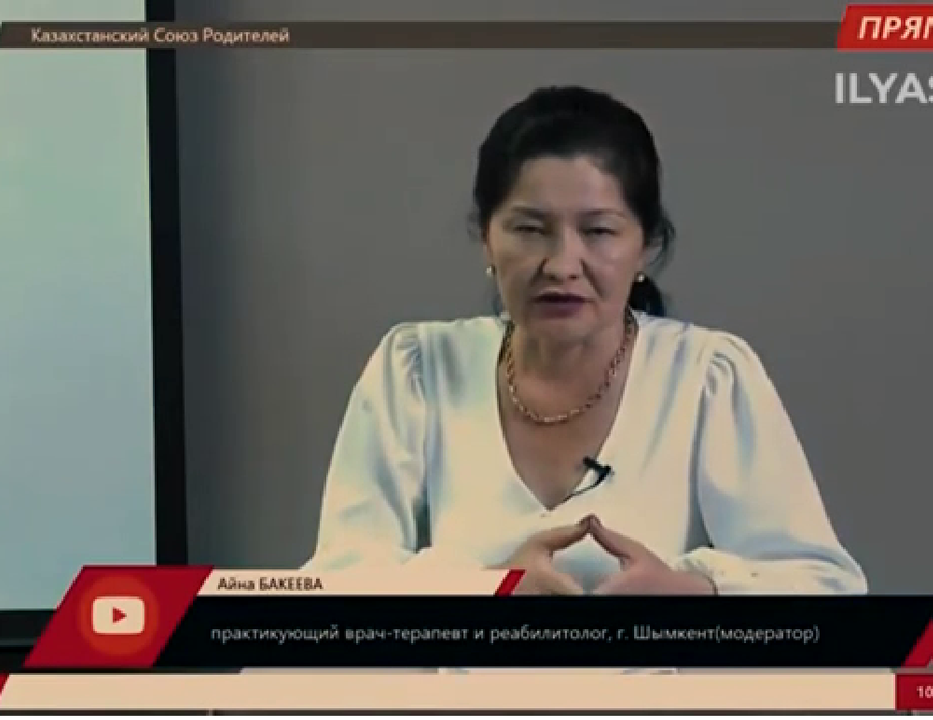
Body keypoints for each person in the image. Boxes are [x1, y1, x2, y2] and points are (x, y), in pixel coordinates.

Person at [302, 86, 866, 599]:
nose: (561, 265)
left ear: (646, 246)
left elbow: (827, 589)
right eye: (530, 229)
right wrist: (488, 593)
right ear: (486, 239)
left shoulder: (707, 376)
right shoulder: (418, 369)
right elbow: (337, 584)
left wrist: (693, 595)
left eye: (598, 231)